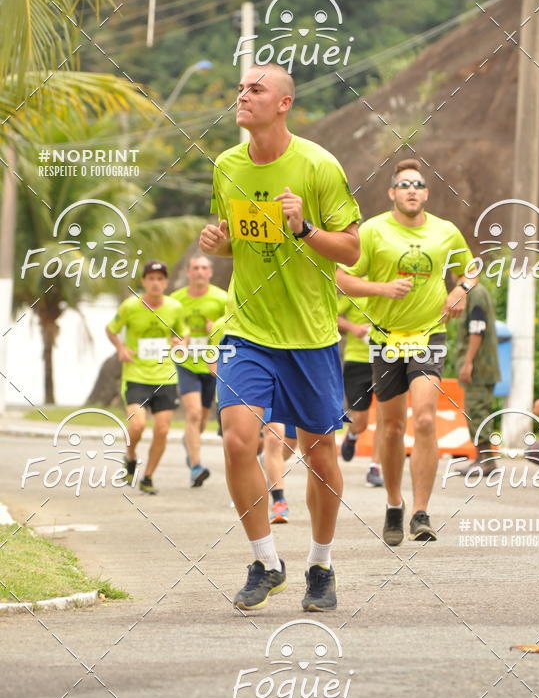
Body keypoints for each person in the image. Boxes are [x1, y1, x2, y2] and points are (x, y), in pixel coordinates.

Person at [199, 62, 360, 612]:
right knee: (238, 439)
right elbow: (232, 244)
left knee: (320, 454)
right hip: (247, 329)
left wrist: (305, 229)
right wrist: (214, 242)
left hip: (310, 335)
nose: (242, 95)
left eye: (255, 89)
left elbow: (351, 250)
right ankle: (266, 561)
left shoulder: (318, 165)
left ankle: (321, 564)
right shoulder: (226, 166)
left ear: (283, 103)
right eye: (240, 87)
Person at [337, 158, 476, 546]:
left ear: (427, 193)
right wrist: (382, 289)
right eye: (404, 185)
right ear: (392, 193)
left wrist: (459, 290)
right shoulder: (373, 230)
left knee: (427, 419)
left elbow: (472, 268)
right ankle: (394, 504)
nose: (411, 190)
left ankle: (421, 511)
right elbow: (342, 279)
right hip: (385, 338)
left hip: (429, 334)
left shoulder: (445, 232)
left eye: (418, 184)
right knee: (393, 426)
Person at [106, 260, 188, 495]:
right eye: (151, 278)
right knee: (138, 424)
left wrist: (181, 343)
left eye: (160, 279)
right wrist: (120, 349)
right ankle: (131, 456)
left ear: (166, 283)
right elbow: (111, 329)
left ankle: (148, 476)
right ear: (143, 282)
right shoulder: (130, 307)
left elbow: (184, 334)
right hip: (136, 376)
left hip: (165, 377)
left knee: (162, 430)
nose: (155, 283)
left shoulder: (174, 308)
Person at [171, 253, 227, 487]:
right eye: (195, 268)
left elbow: (235, 324)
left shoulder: (222, 298)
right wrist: (174, 341)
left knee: (202, 419)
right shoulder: (175, 300)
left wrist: (218, 326)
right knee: (193, 414)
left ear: (210, 272)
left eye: (204, 268)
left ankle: (190, 444)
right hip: (186, 364)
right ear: (188, 272)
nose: (200, 272)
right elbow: (167, 328)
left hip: (212, 365)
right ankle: (196, 467)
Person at [454, 281, 501, 476]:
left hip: (480, 366)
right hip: (480, 365)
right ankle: (481, 459)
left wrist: (468, 361)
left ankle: (486, 461)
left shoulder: (476, 293)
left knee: (478, 410)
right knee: (476, 410)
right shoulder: (473, 293)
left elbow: (477, 328)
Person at [337, 294, 384, 487]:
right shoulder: (355, 284)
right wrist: (353, 328)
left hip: (387, 359)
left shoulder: (391, 286)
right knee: (360, 422)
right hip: (357, 360)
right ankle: (352, 435)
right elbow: (331, 315)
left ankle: (375, 467)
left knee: (385, 415)